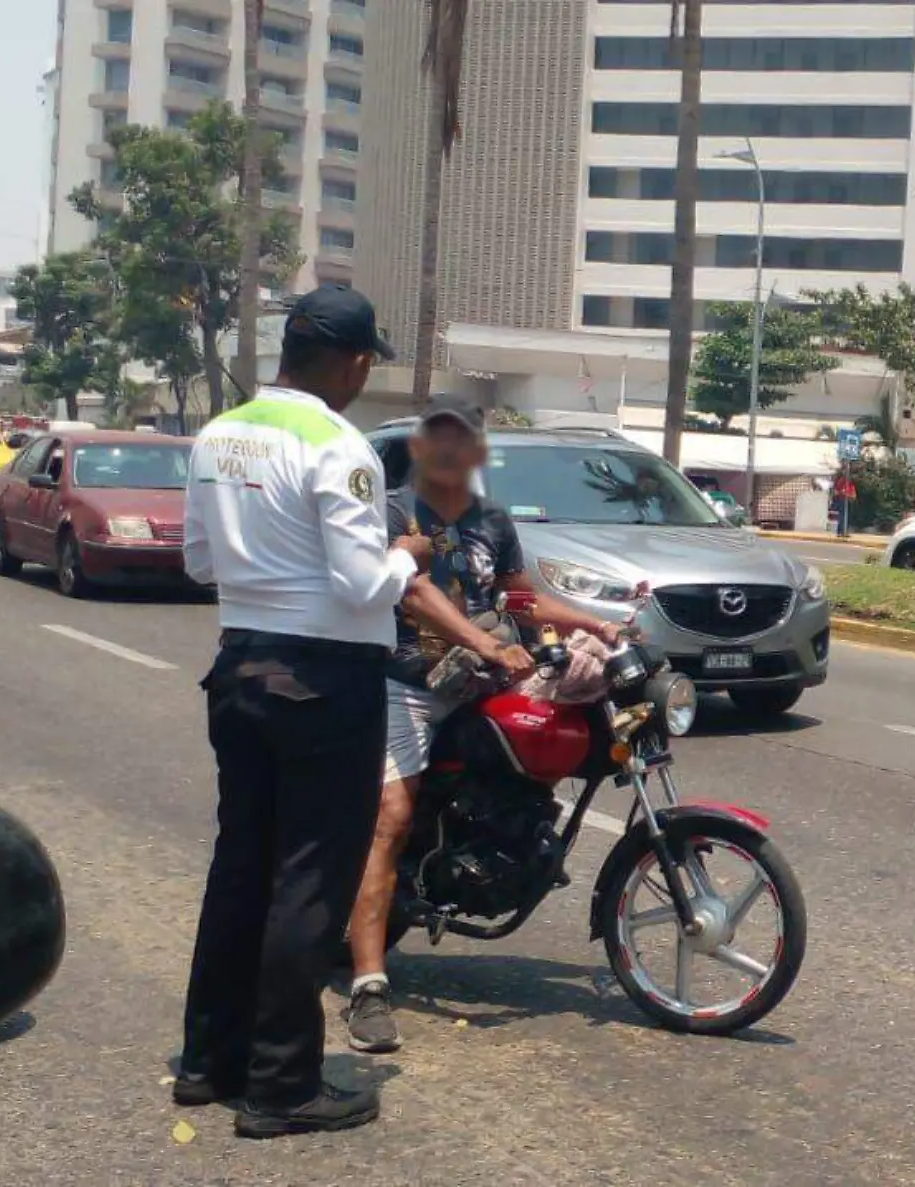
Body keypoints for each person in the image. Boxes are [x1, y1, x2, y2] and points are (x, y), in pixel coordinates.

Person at [174, 285, 474, 1140]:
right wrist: (404, 552)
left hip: (239, 668)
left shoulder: (219, 432)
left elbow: (199, 560)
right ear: (350, 362)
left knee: (241, 868)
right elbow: (359, 582)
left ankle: (208, 1061)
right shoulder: (341, 445)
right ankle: (281, 1083)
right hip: (326, 679)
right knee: (308, 879)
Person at [341, 394, 627, 1055]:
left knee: (544, 736)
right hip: (403, 682)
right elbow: (412, 591)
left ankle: (503, 844)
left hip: (477, 679)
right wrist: (488, 641)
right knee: (390, 816)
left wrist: (594, 624)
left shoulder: (492, 520)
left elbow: (520, 595)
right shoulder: (389, 512)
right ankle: (368, 986)